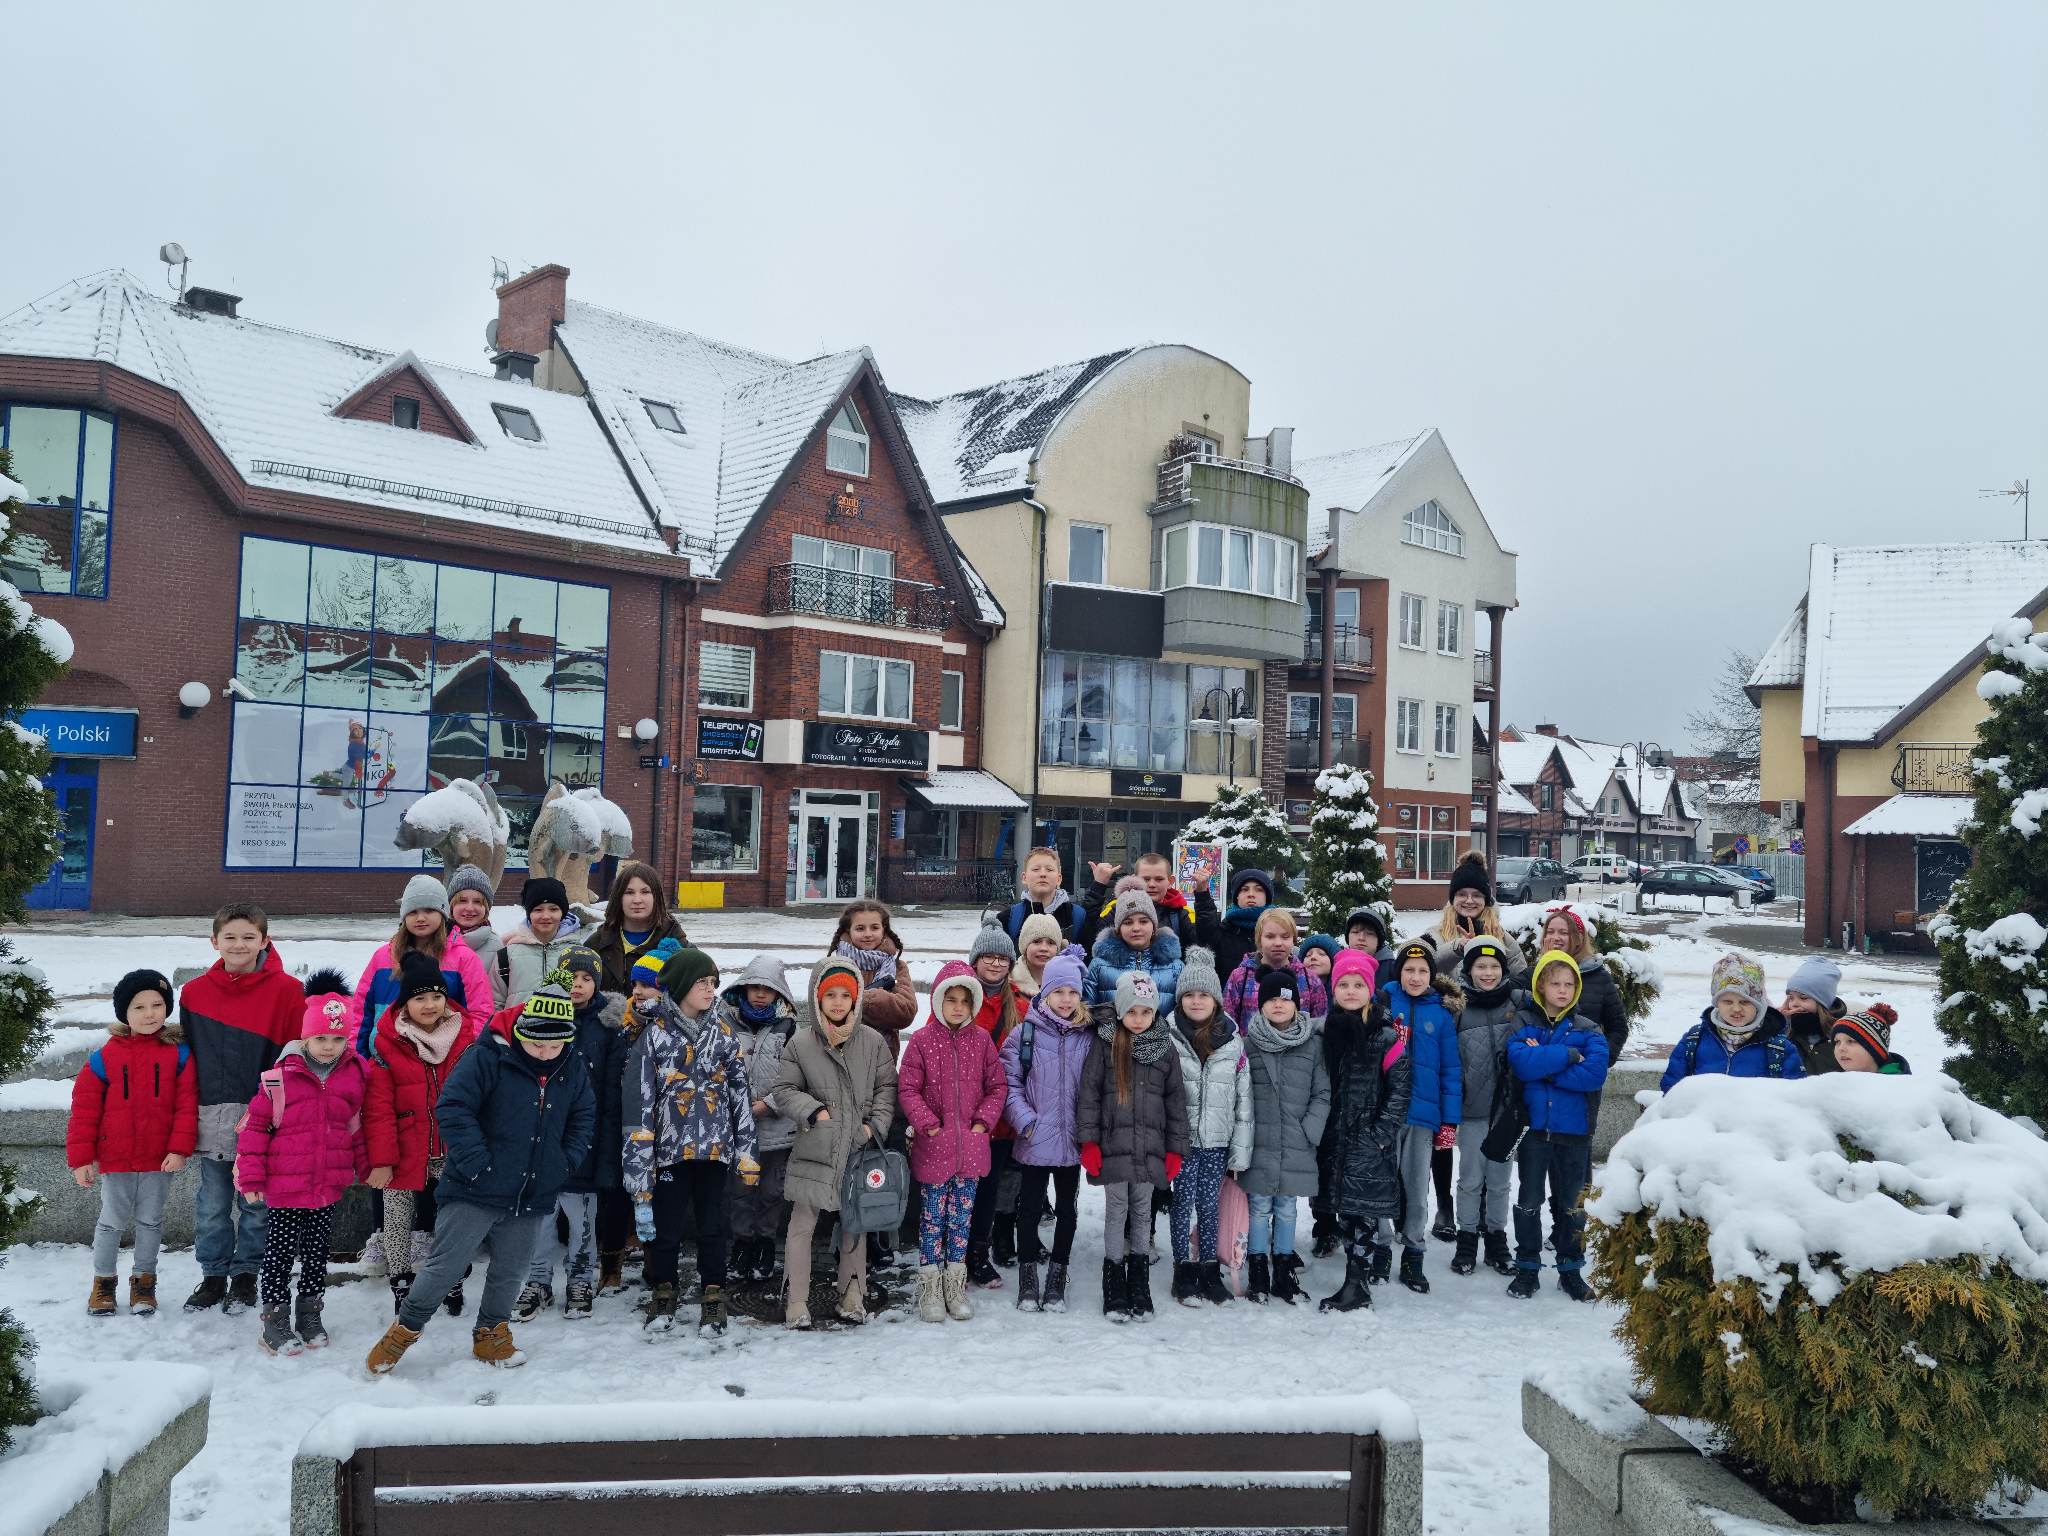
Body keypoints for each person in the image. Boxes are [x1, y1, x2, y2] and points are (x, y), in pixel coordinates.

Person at [365, 976, 596, 1375]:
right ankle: (404, 1330)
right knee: (445, 1265)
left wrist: (563, 1162)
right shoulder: (488, 1056)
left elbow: (583, 1117)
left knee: (510, 1270)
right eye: (537, 1044)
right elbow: (454, 1108)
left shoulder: (571, 1065)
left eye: (555, 1045)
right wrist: (478, 1163)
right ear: (521, 1031)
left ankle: (491, 1333)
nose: (545, 1053)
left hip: (532, 1188)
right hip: (476, 1186)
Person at [176, 903, 305, 1315]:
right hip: (211, 1112)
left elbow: (294, 1055)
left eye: (249, 937)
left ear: (265, 941)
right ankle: (213, 1273)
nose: (239, 944)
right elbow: (189, 1055)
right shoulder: (194, 993)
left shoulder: (286, 991)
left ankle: (248, 1272)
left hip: (264, 1115)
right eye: (229, 937)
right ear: (214, 941)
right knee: (212, 1203)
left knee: (255, 1201)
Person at [621, 946, 757, 1336]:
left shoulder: (725, 1037)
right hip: (669, 1153)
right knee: (667, 1228)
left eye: (714, 983)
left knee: (714, 1225)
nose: (711, 990)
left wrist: (747, 1152)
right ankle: (664, 1288)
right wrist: (639, 1168)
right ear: (680, 986)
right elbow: (639, 1106)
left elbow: (740, 1100)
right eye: (702, 983)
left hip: (715, 1152)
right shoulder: (654, 1038)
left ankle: (713, 1291)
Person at [236, 989, 371, 1355]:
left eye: (338, 1038)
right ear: (305, 1037)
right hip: (283, 1187)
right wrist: (251, 1178)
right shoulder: (279, 1078)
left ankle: (310, 1313)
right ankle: (274, 1320)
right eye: (320, 1038)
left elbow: (356, 1127)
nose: (329, 1046)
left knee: (316, 1254)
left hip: (327, 1185)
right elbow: (255, 1130)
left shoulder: (355, 1075)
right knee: (278, 1256)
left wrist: (368, 1167)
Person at [774, 958, 898, 1330]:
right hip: (817, 1148)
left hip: (859, 1149)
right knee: (802, 1224)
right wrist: (814, 1113)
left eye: (847, 994)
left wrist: (873, 1127)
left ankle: (852, 1292)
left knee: (855, 1222)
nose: (839, 1002)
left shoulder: (873, 1042)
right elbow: (784, 1090)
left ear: (857, 998)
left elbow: (885, 1089)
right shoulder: (801, 1043)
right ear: (817, 998)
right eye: (831, 995)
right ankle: (796, 1298)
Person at [70, 970, 196, 1318]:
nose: (149, 1013)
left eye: (157, 1005)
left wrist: (179, 1149)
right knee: (111, 1222)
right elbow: (84, 1112)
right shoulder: (103, 1059)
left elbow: (187, 1107)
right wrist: (82, 1158)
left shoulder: (180, 1056)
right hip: (117, 1158)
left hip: (159, 1160)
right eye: (139, 1006)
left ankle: (144, 1283)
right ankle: (103, 1283)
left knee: (151, 1222)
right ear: (124, 1012)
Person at [362, 951, 481, 1316]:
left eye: (435, 996)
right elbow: (378, 1109)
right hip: (403, 1148)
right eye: (419, 998)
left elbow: (478, 1098)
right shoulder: (388, 1043)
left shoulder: (464, 1037)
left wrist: (474, 1148)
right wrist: (382, 1160)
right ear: (405, 1003)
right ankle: (401, 1282)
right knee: (397, 1217)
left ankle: (452, 1277)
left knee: (451, 1217)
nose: (429, 1005)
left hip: (452, 1150)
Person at [511, 947, 623, 1321]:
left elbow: (611, 1090)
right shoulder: (538, 1016)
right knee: (541, 1214)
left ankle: (579, 1276)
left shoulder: (608, 1027)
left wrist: (604, 1142)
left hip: (585, 1139)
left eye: (587, 978)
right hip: (543, 1134)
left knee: (581, 1215)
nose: (577, 985)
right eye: (570, 978)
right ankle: (539, 1278)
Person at [899, 962, 1008, 1324]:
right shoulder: (921, 1041)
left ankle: (954, 1283)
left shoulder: (981, 1042)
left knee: (961, 1221)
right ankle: (930, 1286)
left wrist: (982, 1122)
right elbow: (908, 1089)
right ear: (938, 1001)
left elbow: (997, 1087)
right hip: (934, 1149)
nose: (958, 1007)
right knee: (932, 1221)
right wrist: (928, 1125)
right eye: (951, 1000)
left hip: (972, 1150)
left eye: (965, 1000)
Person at [1077, 971, 1188, 1322]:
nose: (1138, 1020)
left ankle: (1139, 1279)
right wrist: (1089, 1142)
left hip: (1151, 1147)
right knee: (1117, 1210)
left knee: (1143, 1211)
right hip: (1113, 1145)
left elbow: (1176, 1102)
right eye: (1132, 1012)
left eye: (1146, 1012)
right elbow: (1089, 1096)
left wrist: (1175, 1149)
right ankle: (1114, 1279)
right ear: (1121, 1011)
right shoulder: (1105, 1044)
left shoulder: (1165, 1047)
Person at [1504, 950, 1611, 1301]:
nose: (1563, 990)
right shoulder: (1523, 1022)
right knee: (1529, 1200)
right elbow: (1520, 1063)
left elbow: (1593, 1074)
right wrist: (1566, 1057)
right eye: (1555, 984)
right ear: (1541, 987)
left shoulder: (1588, 1028)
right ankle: (1527, 1267)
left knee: (1571, 1204)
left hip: (1574, 1132)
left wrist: (1543, 1066)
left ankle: (1570, 1268)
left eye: (1569, 984)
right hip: (1535, 1130)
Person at [1001, 944, 1093, 1314]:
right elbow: (1010, 1083)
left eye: (1072, 992)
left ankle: (1059, 1272)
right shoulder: (1025, 1034)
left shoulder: (1089, 1036)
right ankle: (1028, 1276)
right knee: (1029, 1209)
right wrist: (1026, 1121)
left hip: (1072, 1140)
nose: (1066, 999)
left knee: (1067, 1210)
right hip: (1036, 1139)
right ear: (1046, 992)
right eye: (1059, 991)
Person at [1318, 950, 1411, 1313]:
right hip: (1337, 1139)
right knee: (1345, 1210)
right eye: (1343, 984)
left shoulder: (1385, 1036)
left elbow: (1400, 1090)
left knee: (1364, 1213)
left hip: (1369, 1140)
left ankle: (1358, 1282)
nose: (1351, 991)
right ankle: (1353, 1277)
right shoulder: (1328, 1031)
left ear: (1370, 990)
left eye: (1358, 985)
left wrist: (1380, 1134)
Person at [1165, 947, 1252, 1306]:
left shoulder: (1232, 1041)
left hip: (1217, 1141)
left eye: (1203, 995)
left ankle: (1209, 1269)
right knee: (1182, 1203)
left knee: (1210, 1205)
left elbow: (1243, 1100)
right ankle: (1183, 1268)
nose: (1196, 1001)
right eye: (1189, 995)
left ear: (1215, 999)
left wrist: (1240, 1149)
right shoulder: (1167, 1036)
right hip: (1182, 1141)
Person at [1240, 970, 1330, 1306]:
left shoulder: (1311, 1044)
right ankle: (1258, 1269)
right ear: (1261, 1005)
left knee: (1288, 1207)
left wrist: (1311, 1129)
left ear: (1297, 1004)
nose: (1279, 1005)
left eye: (1285, 998)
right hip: (1260, 1141)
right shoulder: (1247, 1045)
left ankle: (1283, 1267)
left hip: (1296, 1140)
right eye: (1271, 999)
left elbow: (1322, 1091)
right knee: (1260, 1206)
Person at [1378, 940, 1462, 1294]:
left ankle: (1414, 1251)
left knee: (1415, 1187)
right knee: (1381, 1184)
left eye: (1423, 971)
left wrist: (1449, 1121)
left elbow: (1450, 1071)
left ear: (1432, 975)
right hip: (1385, 1113)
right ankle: (1380, 1247)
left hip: (1423, 1116)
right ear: (1399, 972)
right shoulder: (1383, 1004)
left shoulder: (1441, 1015)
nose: (1415, 976)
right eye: (1409, 970)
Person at [711, 954, 800, 1286]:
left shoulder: (788, 1028)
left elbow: (797, 1075)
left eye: (768, 988)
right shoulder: (725, 1023)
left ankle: (765, 1242)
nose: (760, 994)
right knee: (740, 1189)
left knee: (772, 1189)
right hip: (736, 1125)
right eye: (754, 987)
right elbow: (713, 1068)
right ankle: (742, 1242)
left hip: (777, 1125)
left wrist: (771, 1103)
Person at [347, 875, 493, 1053]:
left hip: (441, 1063)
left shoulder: (464, 959)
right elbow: (362, 1013)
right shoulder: (383, 957)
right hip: (384, 1061)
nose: (421, 918)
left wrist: (460, 1055)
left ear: (443, 913)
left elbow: (479, 1014)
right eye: (413, 912)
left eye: (429, 910)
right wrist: (358, 1060)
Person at [1450, 939, 1521, 1278]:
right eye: (1480, 966)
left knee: (1500, 1179)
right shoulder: (1459, 1009)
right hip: (1472, 1109)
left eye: (1494, 967)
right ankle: (1466, 1237)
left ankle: (1496, 1236)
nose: (1488, 973)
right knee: (1470, 1178)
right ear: (1469, 971)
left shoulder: (1517, 1004)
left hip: (1507, 1111)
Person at [964, 920, 1027, 1285]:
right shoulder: (958, 998)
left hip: (1002, 1116)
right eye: (987, 956)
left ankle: (979, 1252)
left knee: (990, 1188)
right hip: (963, 1110)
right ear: (975, 960)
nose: (995, 963)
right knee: (960, 1186)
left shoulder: (1019, 1003)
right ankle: (952, 1251)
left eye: (1002, 957)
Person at [1661, 953, 1808, 1091]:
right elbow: (1672, 1089)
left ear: (1758, 1004)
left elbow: (1793, 1096)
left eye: (1745, 1002)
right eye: (1727, 1001)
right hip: (1703, 1117)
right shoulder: (1694, 1040)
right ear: (1717, 1003)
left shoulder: (1779, 1049)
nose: (1736, 1008)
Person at [1537, 907, 1628, 1067]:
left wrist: (1599, 1060)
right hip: (1542, 1069)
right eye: (1550, 932)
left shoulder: (1599, 977)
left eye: (1563, 933)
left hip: (1582, 1072)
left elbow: (1618, 1027)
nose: (1555, 938)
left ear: (1578, 939)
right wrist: (1546, 964)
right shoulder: (1536, 975)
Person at [586, 861, 689, 995]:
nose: (637, 900)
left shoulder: (676, 942)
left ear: (656, 897)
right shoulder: (596, 944)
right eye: (629, 892)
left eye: (645, 892)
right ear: (618, 897)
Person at [1223, 909, 1329, 1030]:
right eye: (1270, 937)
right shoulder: (1240, 977)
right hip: (1251, 1047)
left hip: (1298, 1048)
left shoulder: (1310, 979)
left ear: (1293, 940)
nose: (1278, 943)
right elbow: (1228, 1021)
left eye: (1285, 937)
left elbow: (1320, 1022)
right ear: (1259, 939)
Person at [1430, 853, 1531, 981]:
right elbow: (1428, 968)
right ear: (1452, 898)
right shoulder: (1435, 935)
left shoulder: (1502, 937)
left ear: (1486, 900)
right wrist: (1458, 948)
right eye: (1462, 894)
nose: (1469, 901)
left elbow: (1521, 981)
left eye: (1477, 895)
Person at [1082, 889, 1185, 1008]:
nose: (1136, 928)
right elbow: (1087, 1011)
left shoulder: (1175, 967)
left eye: (1143, 921)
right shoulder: (1099, 966)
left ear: (1154, 926)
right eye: (1128, 922)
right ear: (1118, 929)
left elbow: (1183, 1013)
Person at [1075, 853, 1197, 951]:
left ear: (1170, 881)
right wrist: (1098, 885)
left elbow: (1203, 942)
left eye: (1159, 879)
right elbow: (1090, 933)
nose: (1152, 884)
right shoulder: (1118, 908)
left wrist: (1203, 896)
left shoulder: (1181, 913)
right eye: (1145, 879)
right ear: (1134, 879)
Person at [494, 876, 582, 1010]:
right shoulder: (507, 955)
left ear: (562, 912)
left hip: (567, 1030)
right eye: (538, 910)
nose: (546, 916)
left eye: (553, 909)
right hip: (516, 1029)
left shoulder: (578, 953)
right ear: (529, 913)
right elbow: (495, 1003)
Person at [1192, 867, 1277, 982]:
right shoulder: (1224, 931)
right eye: (1244, 889)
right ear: (1237, 896)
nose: (1251, 894)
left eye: (1259, 889)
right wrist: (1202, 894)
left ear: (1267, 896)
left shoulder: (1278, 931)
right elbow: (1206, 930)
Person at [1001, 846, 1086, 944]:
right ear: (1024, 877)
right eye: (1036, 869)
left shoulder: (1079, 916)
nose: (1043, 874)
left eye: (1049, 870)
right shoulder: (1008, 919)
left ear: (1059, 879)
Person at [1781, 956, 1845, 1076]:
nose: (1794, 1004)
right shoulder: (1785, 1034)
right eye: (1791, 997)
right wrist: (1777, 1021)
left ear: (1823, 1002)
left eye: (1803, 997)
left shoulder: (1843, 1037)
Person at [446, 865, 503, 977]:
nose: (470, 908)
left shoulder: (497, 947)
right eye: (462, 901)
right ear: (451, 906)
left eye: (477, 902)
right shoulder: (435, 941)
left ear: (486, 908)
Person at [1832, 1003, 1910, 1074]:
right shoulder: (1839, 1083)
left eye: (1851, 1041)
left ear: (1875, 1050)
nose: (1841, 1048)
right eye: (1837, 1041)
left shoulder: (1894, 1086)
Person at [1011, 912, 1066, 998]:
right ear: (1025, 946)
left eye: (1051, 943)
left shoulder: (1068, 981)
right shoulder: (1008, 983)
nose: (1044, 948)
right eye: (1036, 941)